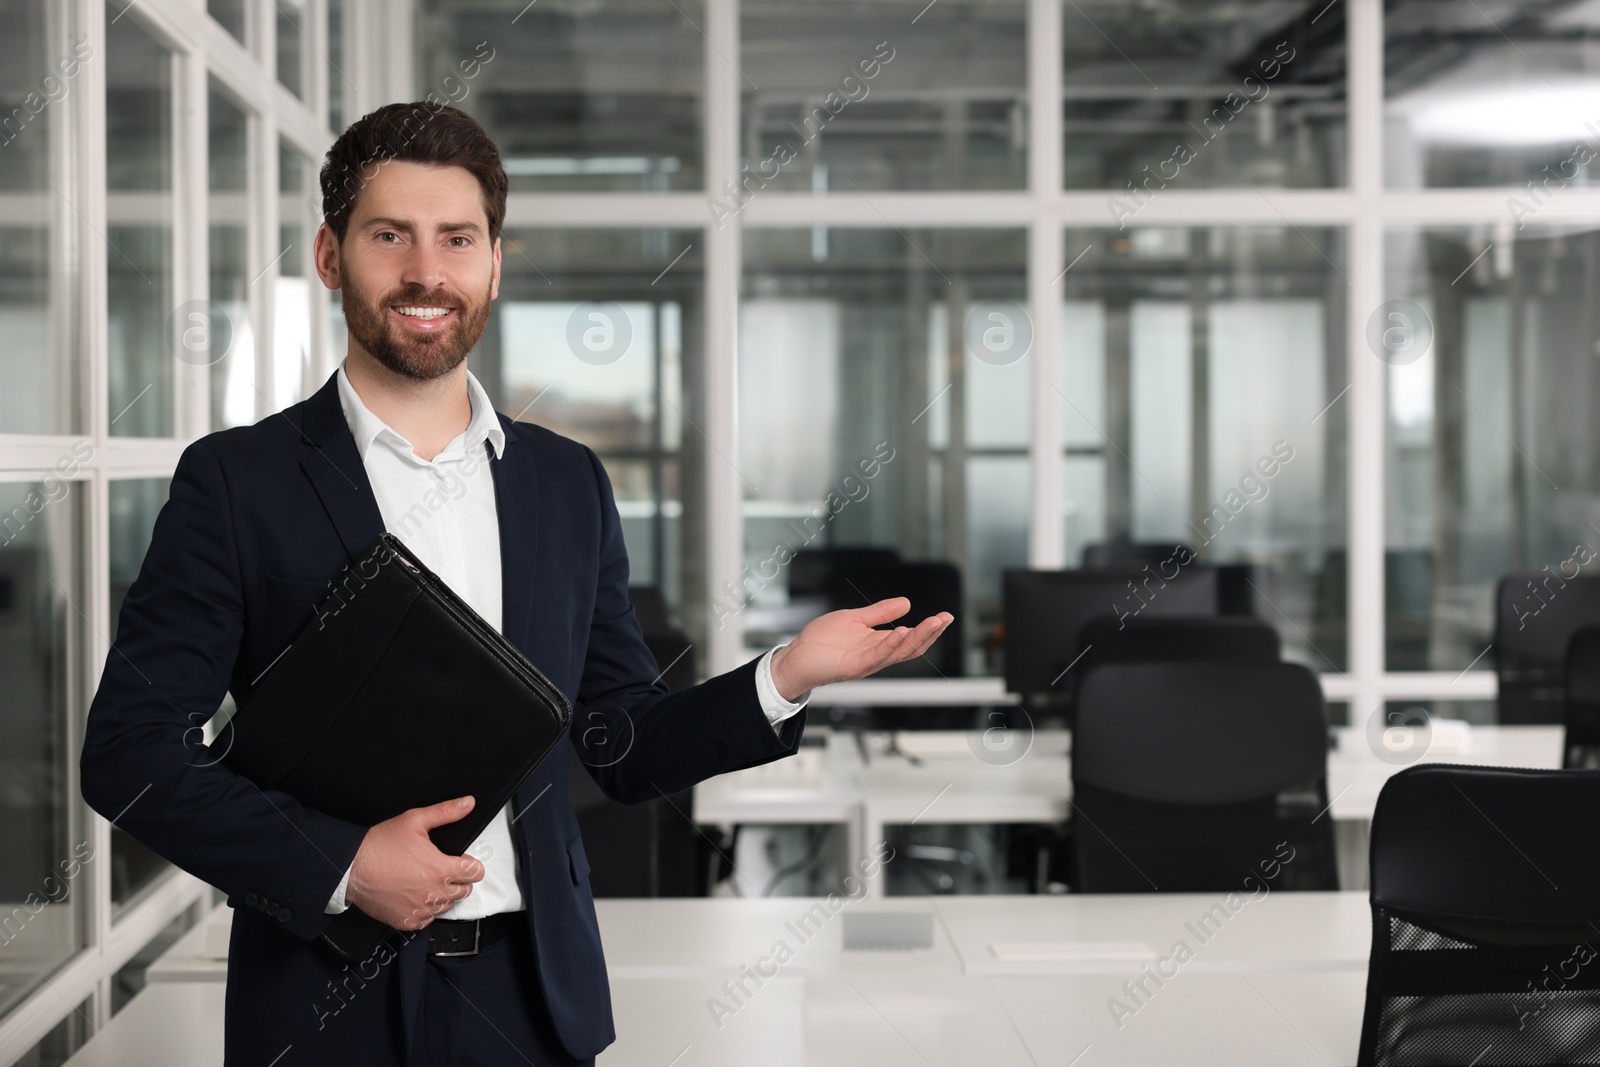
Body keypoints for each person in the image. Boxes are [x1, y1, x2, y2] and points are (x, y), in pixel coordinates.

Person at [78, 101, 951, 1067]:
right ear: (330, 256)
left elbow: (620, 744)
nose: (425, 272)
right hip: (326, 1005)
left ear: (495, 261)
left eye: (457, 239)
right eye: (389, 236)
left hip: (532, 1000)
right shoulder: (238, 481)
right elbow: (131, 755)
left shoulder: (565, 481)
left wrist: (784, 674)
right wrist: (346, 863)